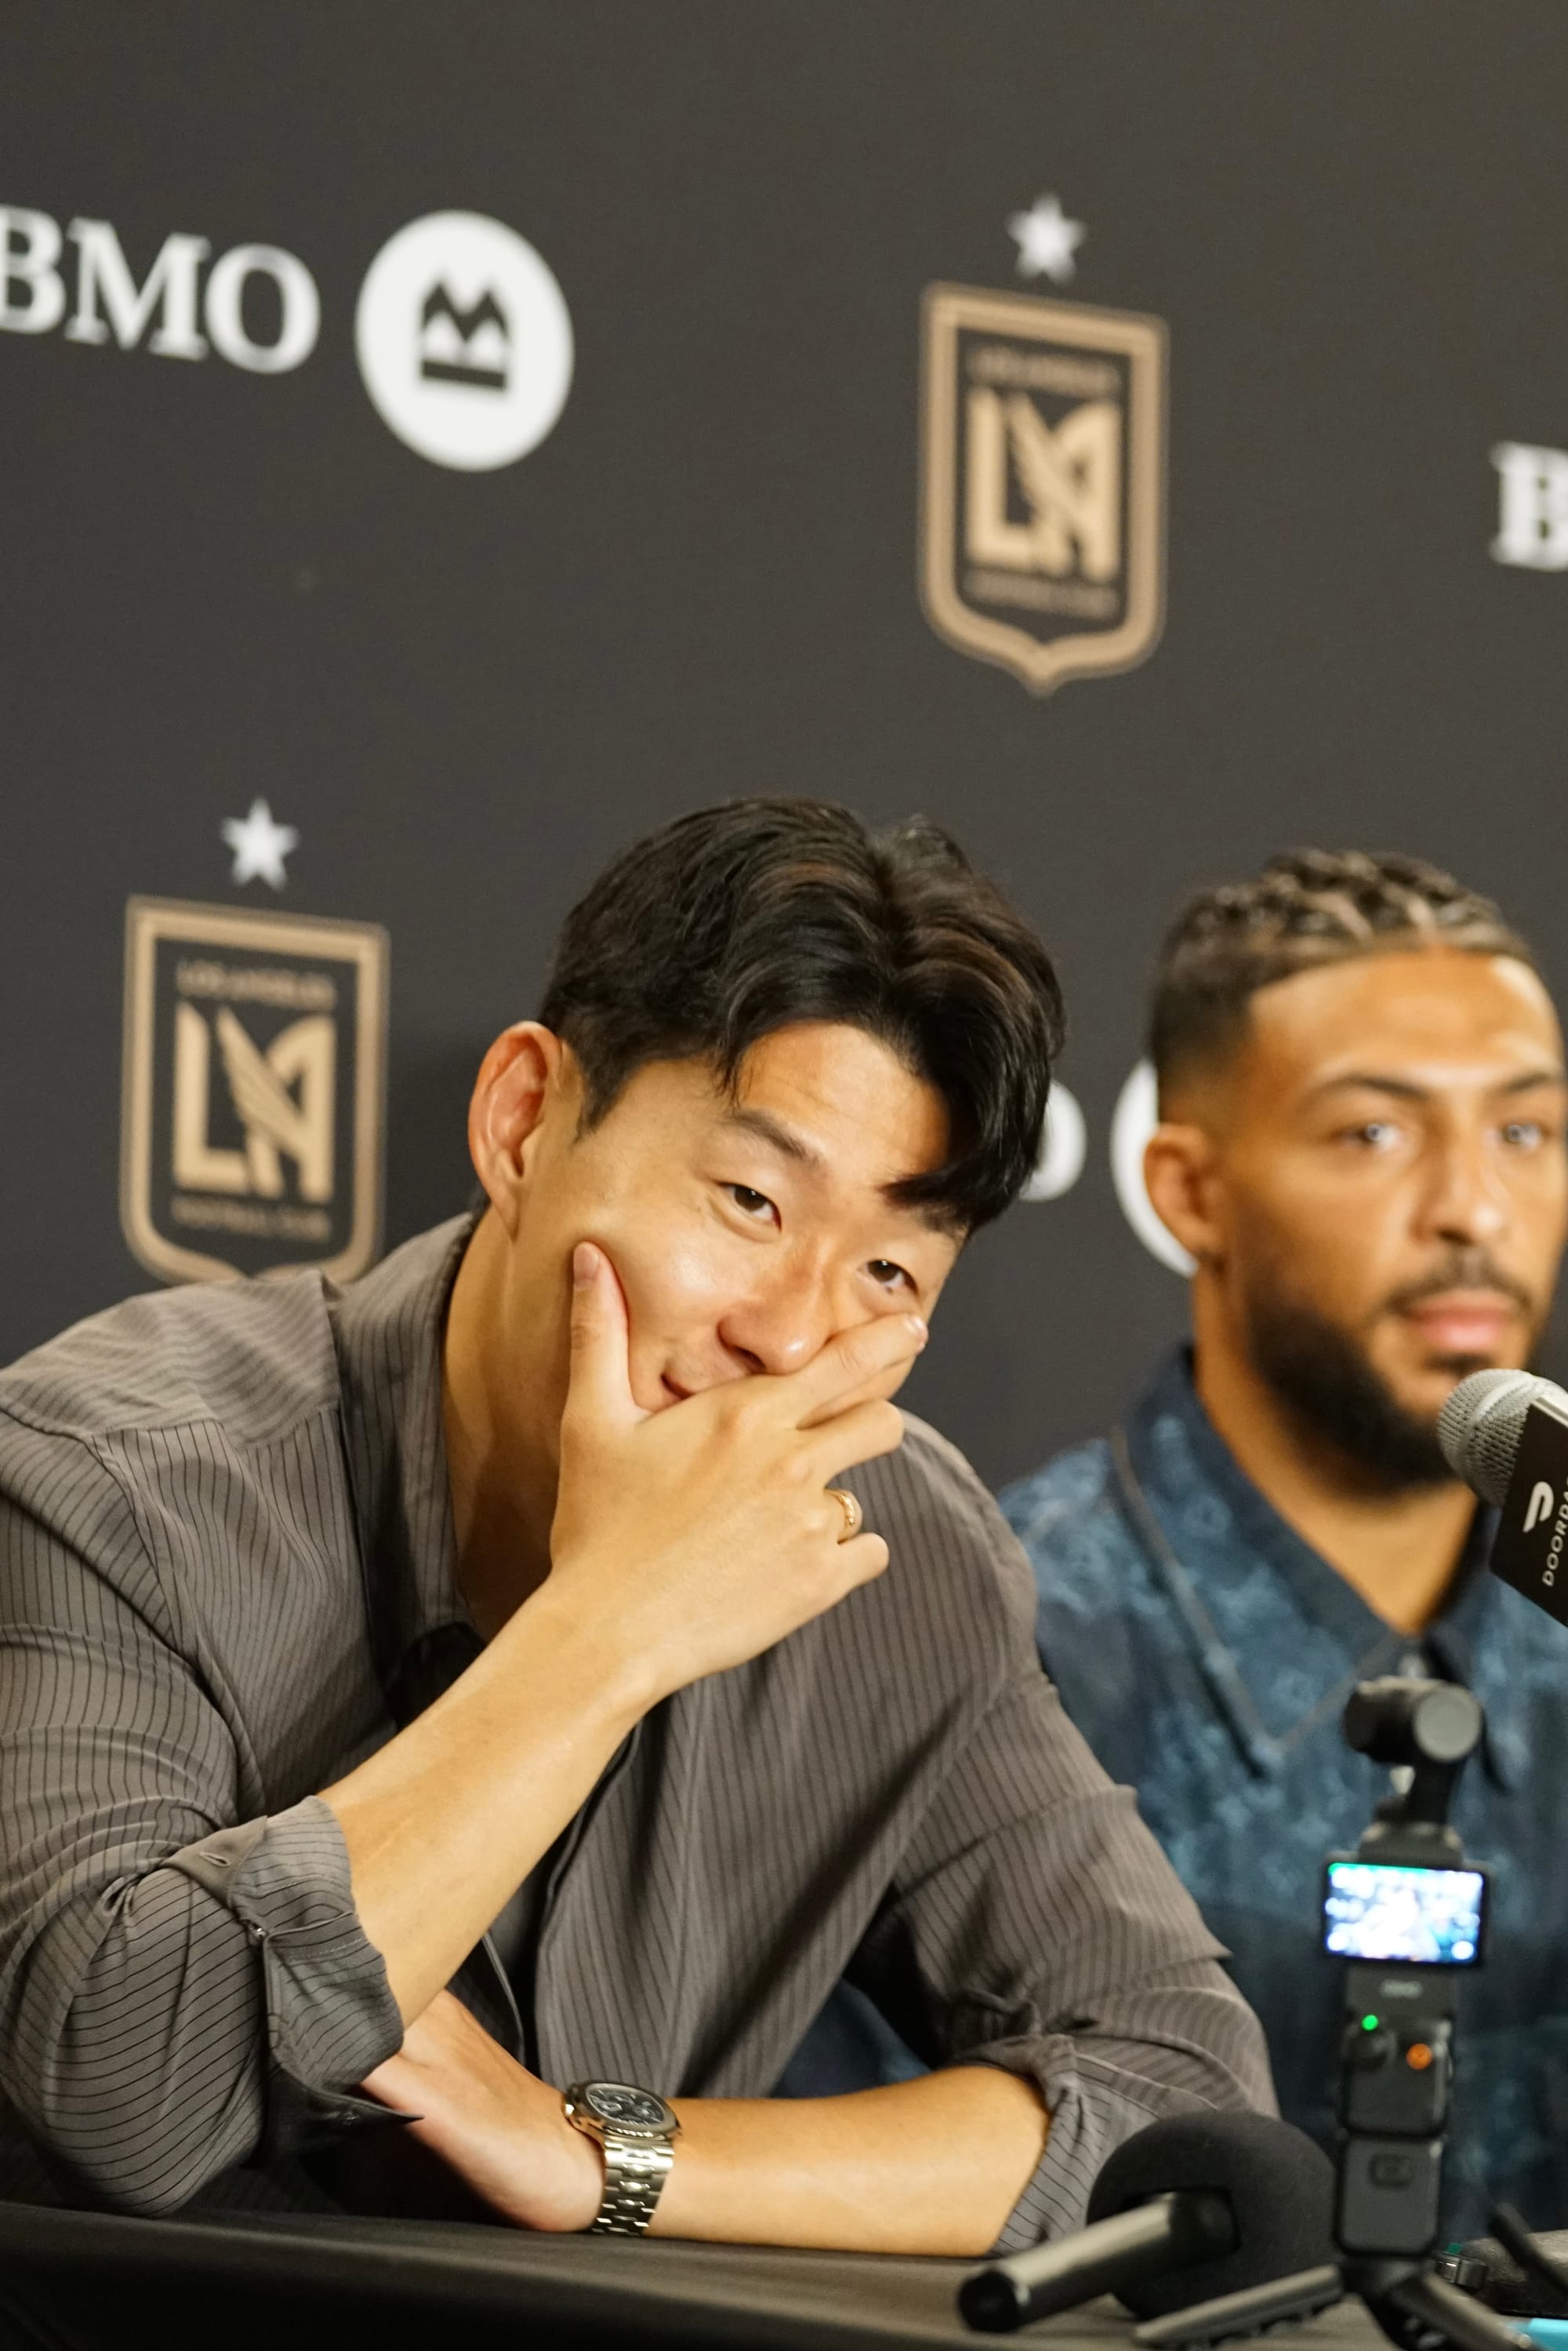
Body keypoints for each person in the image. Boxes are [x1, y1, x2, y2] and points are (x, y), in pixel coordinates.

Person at [0, 800, 1269, 2255]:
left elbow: (1184, 2108)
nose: (791, 1337)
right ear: (525, 1121)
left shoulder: (896, 1556)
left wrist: (599, 2153)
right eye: (747, 1199)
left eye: (890, 1274)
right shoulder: (115, 1471)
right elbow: (120, 2083)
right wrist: (611, 1630)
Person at [1001, 849, 1568, 2234]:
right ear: (1188, 1191)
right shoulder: (1007, 1636)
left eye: (1527, 1132)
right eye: (1374, 1134)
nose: (1473, 1210)